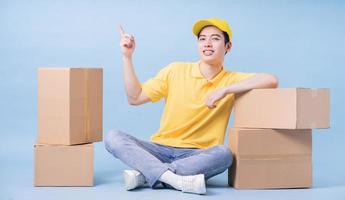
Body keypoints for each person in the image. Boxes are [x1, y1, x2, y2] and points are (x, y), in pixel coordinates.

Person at [105, 17, 278, 195]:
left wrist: (225, 90)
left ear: (228, 47)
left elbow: (270, 80)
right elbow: (135, 98)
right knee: (113, 137)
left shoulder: (231, 80)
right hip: (159, 149)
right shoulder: (175, 70)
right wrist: (127, 57)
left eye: (215, 38)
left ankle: (147, 174)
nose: (207, 44)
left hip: (197, 156)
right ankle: (174, 180)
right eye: (202, 39)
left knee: (224, 154)